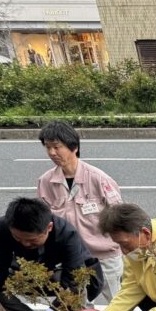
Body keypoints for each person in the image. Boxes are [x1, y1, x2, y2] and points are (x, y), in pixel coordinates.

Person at [0, 197, 104, 311]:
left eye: (32, 240)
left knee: (77, 297)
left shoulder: (67, 233)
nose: (25, 244)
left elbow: (73, 281)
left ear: (49, 227)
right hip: (29, 272)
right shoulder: (3, 226)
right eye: (18, 239)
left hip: (70, 276)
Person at [36, 120, 124, 298]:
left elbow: (120, 216)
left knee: (120, 305)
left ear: (74, 147)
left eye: (57, 146)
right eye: (47, 147)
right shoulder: (46, 182)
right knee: (79, 307)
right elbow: (43, 221)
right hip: (72, 257)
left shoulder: (98, 178)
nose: (52, 152)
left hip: (104, 255)